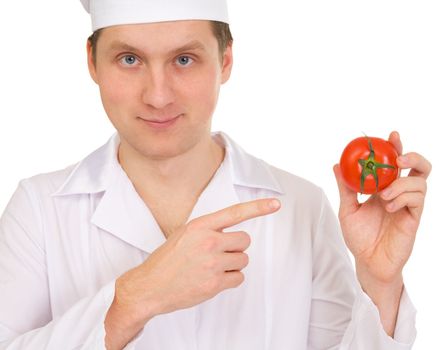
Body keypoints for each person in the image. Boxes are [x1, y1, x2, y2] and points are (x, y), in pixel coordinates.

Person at [0, 0, 431, 349]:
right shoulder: (38, 209)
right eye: (129, 59)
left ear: (225, 61)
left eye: (184, 59)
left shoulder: (301, 208)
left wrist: (380, 281)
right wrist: (134, 298)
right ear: (92, 63)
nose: (158, 95)